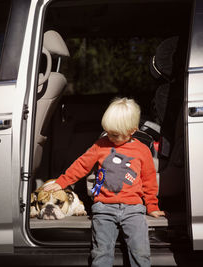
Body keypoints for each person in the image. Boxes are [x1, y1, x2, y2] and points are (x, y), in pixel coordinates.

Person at [44, 97, 165, 267]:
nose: (109, 137)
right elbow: (82, 164)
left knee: (141, 252)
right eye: (107, 132)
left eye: (114, 134)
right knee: (101, 252)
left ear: (132, 130)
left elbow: (149, 180)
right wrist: (62, 181)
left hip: (133, 209)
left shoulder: (142, 150)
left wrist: (152, 206)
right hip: (104, 208)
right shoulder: (100, 145)